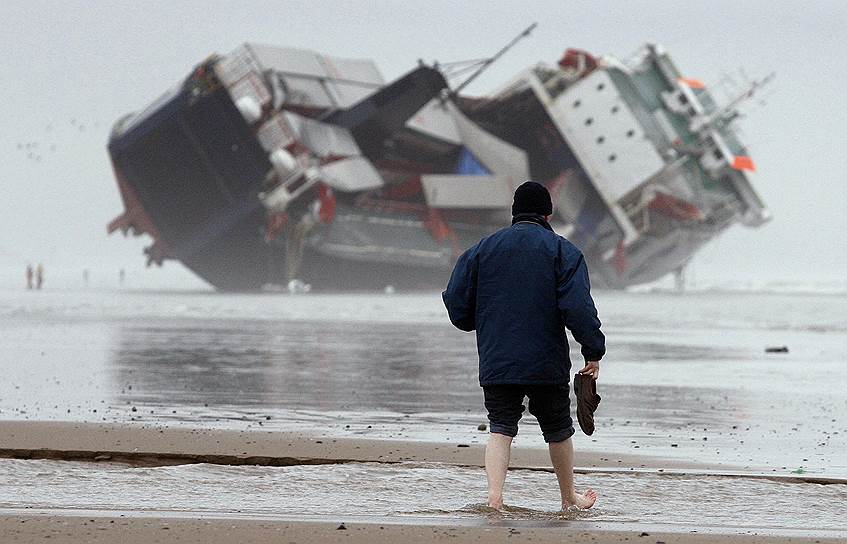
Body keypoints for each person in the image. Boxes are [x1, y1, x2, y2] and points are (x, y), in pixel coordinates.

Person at [442, 181, 605, 511]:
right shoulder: (563, 252)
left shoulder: (480, 250)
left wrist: (482, 321)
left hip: (497, 358)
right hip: (545, 360)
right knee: (558, 429)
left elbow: (456, 303)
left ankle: (494, 498)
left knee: (501, 427)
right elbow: (578, 307)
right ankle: (567, 498)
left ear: (514, 212)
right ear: (548, 213)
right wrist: (592, 350)